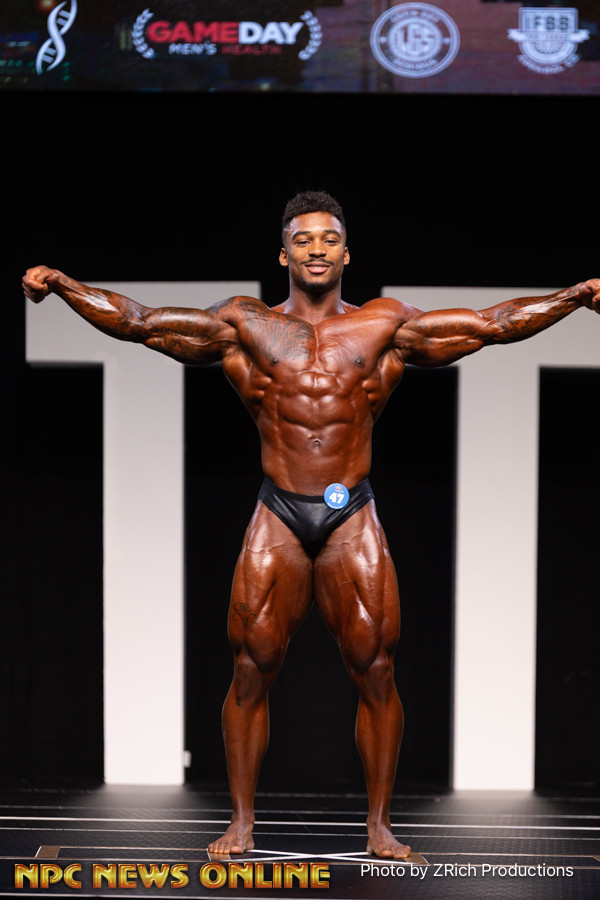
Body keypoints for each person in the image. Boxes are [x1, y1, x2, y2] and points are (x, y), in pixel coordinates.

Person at [23, 191, 599, 860]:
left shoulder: (384, 325)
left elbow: (493, 324)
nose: (317, 249)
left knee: (376, 669)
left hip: (352, 513)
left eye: (329, 239)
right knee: (251, 667)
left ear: (347, 253)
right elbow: (141, 323)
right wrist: (62, 285)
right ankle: (242, 822)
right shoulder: (246, 324)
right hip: (280, 511)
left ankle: (379, 826)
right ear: (283, 255)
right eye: (303, 240)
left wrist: (575, 296)